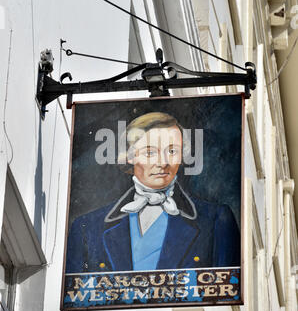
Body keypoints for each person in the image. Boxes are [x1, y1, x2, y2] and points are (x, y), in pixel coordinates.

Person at [65, 112, 240, 273]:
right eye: (150, 152)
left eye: (172, 151)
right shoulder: (87, 227)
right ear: (130, 156)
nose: (163, 162)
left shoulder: (215, 220)